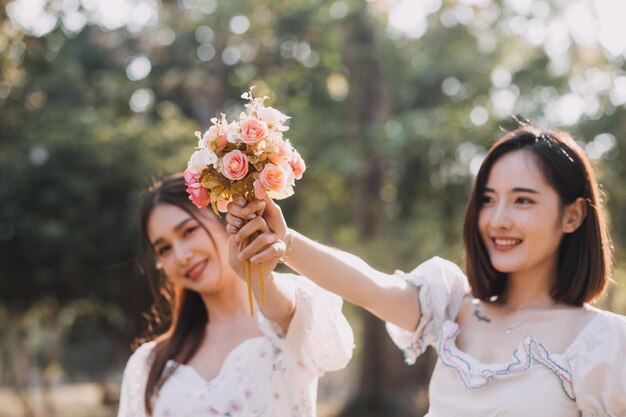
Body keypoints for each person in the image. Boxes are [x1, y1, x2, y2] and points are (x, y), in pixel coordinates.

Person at [227, 126, 626, 416]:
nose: (498, 219)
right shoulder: (453, 306)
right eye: (488, 200)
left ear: (573, 215)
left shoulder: (603, 344)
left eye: (523, 200)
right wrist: (286, 243)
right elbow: (369, 286)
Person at [116, 174, 354, 417]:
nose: (181, 255)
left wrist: (261, 279)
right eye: (164, 249)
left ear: (225, 219)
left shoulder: (284, 325)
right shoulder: (149, 364)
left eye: (188, 231)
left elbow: (288, 312)